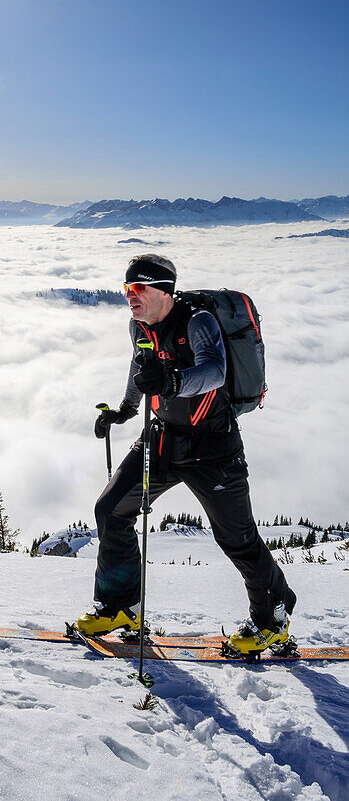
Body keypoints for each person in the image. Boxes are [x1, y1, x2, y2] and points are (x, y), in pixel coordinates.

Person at [75, 253, 296, 655]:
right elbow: (139, 367)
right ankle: (121, 606)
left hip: (211, 447)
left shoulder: (198, 321)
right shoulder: (138, 324)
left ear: (165, 291)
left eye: (139, 287)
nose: (131, 296)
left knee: (237, 538)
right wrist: (123, 410)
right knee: (111, 510)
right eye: (128, 288)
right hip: (160, 438)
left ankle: (274, 617)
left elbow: (214, 370)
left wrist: (174, 380)